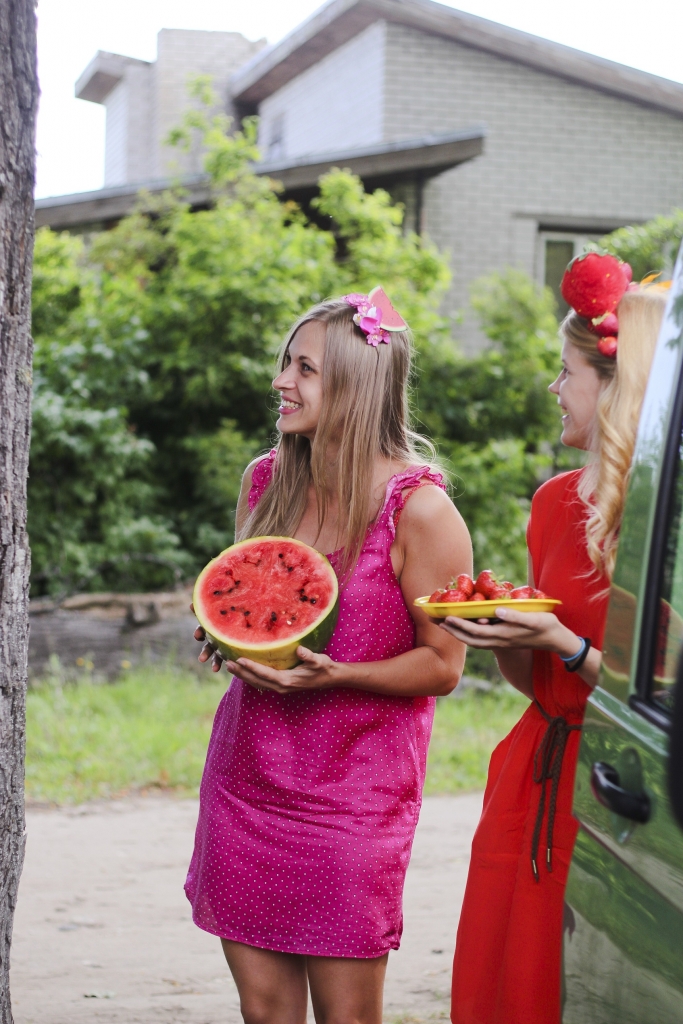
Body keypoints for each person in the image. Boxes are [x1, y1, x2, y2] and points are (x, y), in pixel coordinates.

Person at [186, 289, 472, 1024]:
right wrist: (228, 631)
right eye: (286, 363)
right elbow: (261, 599)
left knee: (347, 1018)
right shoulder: (265, 479)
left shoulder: (421, 510)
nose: (282, 380)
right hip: (247, 779)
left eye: (304, 368)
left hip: (354, 798)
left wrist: (335, 674)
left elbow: (443, 665)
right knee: (264, 1011)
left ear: (355, 383)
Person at [444, 255, 668, 1024]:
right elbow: (531, 676)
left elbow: (657, 697)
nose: (554, 388)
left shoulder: (660, 520)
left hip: (611, 782)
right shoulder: (548, 503)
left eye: (565, 371)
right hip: (533, 770)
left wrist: (562, 641)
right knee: (510, 987)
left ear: (611, 385)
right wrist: (504, 635)